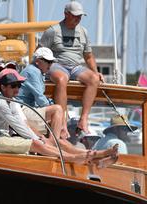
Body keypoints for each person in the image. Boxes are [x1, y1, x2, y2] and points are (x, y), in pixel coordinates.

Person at [0, 68, 118, 166]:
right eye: (13, 85)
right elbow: (18, 125)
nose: (17, 89)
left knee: (57, 141)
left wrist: (43, 139)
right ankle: (75, 158)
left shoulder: (12, 101)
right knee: (37, 144)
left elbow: (23, 122)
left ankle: (95, 155)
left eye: (19, 85)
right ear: (3, 87)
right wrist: (39, 140)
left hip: (4, 135)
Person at [40, 1, 103, 136]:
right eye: (75, 15)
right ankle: (62, 122)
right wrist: (40, 70)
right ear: (66, 14)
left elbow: (89, 56)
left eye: (80, 16)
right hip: (57, 64)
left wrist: (96, 72)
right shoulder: (53, 31)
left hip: (75, 66)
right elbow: (39, 53)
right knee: (62, 79)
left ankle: (84, 118)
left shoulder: (83, 32)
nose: (78, 18)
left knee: (94, 79)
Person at [17, 47, 70, 140]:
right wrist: (57, 112)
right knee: (57, 109)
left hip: (26, 109)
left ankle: (54, 141)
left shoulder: (38, 72)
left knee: (58, 111)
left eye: (51, 62)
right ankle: (54, 143)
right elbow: (40, 98)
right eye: (47, 61)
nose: (50, 64)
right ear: (37, 61)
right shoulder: (32, 72)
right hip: (21, 111)